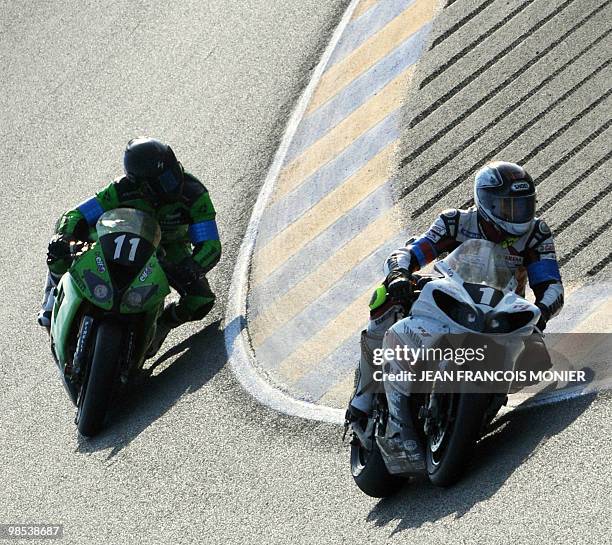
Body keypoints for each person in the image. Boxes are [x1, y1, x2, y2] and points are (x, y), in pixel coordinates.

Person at [347, 161, 564, 424]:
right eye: (509, 206)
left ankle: (486, 399)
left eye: (524, 205)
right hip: (452, 297)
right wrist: (398, 275)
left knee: (537, 358)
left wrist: (540, 314)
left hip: (502, 310)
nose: (518, 214)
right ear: (488, 202)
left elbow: (551, 285)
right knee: (385, 296)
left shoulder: (536, 234)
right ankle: (365, 392)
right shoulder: (455, 222)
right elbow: (410, 253)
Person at [37, 137, 221, 357]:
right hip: (121, 237)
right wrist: (64, 236)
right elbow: (77, 214)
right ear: (140, 183)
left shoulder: (195, 194)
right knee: (57, 252)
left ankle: (161, 324)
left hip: (169, 250)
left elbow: (210, 244)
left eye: (172, 174)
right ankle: (51, 307)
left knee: (201, 300)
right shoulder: (121, 189)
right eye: (162, 181)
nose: (172, 184)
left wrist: (193, 266)